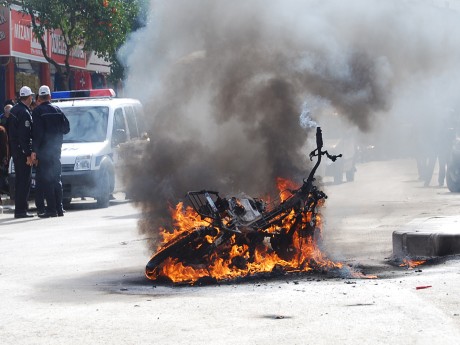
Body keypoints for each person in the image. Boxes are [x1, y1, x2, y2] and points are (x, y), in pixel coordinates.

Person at [32, 85, 70, 218]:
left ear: (39, 97)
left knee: (47, 180)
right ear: (49, 96)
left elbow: (37, 133)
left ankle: (51, 210)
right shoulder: (58, 110)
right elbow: (66, 128)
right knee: (56, 179)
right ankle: (60, 208)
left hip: (44, 152)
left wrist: (34, 151)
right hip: (56, 151)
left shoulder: (37, 112)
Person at [9, 86, 34, 218]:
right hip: (22, 153)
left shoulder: (14, 110)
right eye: (31, 96)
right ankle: (21, 210)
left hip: (16, 151)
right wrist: (28, 154)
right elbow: (24, 136)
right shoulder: (24, 112)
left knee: (20, 181)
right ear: (29, 97)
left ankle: (21, 209)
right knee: (24, 181)